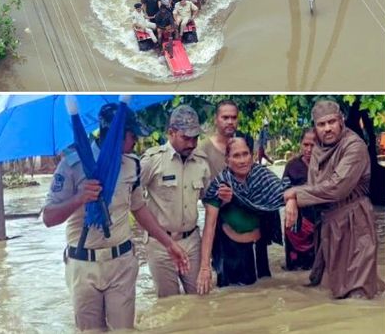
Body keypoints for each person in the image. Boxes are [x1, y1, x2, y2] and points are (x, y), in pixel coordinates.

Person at [42, 104, 189, 331]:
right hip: (83, 265)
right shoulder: (73, 164)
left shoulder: (132, 165)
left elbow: (139, 209)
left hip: (121, 263)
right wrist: (80, 198)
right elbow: (49, 218)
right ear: (117, 134)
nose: (136, 142)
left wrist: (169, 244)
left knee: (123, 330)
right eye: (132, 135)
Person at [283, 100, 385, 299]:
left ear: (341, 121)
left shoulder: (354, 147)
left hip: (355, 224)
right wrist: (292, 200)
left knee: (358, 294)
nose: (327, 128)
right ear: (315, 128)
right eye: (321, 124)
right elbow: (315, 186)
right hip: (328, 225)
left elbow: (336, 188)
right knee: (329, 290)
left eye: (331, 122)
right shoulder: (318, 149)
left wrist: (294, 194)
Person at [197, 138, 295, 294]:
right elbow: (209, 226)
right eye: (236, 156)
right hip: (231, 254)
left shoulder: (262, 176)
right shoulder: (220, 184)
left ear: (252, 155)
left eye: (245, 154)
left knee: (263, 296)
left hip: (259, 250)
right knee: (234, 299)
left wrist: (291, 200)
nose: (242, 160)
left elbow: (286, 191)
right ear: (227, 160)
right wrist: (204, 268)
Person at [140, 105, 212, 297]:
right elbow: (133, 202)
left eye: (195, 138)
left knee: (200, 299)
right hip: (160, 244)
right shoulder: (152, 161)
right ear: (171, 133)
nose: (192, 143)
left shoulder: (202, 163)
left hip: (191, 242)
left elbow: (210, 202)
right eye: (186, 138)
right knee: (168, 303)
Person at [283, 129, 318, 271]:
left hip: (319, 220)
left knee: (318, 265)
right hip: (297, 222)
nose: (308, 149)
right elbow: (283, 190)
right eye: (306, 145)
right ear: (301, 144)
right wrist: (292, 198)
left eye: (313, 145)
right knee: (296, 270)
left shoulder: (326, 165)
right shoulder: (292, 166)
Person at [194, 99, 238, 178]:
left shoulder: (241, 147)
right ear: (215, 119)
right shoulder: (202, 149)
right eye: (225, 118)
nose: (230, 122)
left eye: (234, 118)